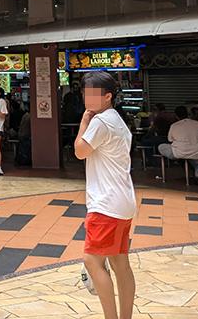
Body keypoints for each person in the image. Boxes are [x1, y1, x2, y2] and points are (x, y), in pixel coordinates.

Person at [72, 71, 136, 319]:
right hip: (123, 202)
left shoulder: (100, 122)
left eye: (92, 94)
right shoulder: (117, 120)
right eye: (84, 93)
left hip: (106, 203)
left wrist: (83, 123)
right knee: (120, 263)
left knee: (92, 261)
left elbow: (80, 151)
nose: (86, 98)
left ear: (107, 96)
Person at [158, 106, 198, 184]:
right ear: (188, 114)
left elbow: (170, 140)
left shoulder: (174, 125)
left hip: (178, 152)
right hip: (197, 152)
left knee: (161, 146)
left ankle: (179, 162)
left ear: (176, 116)